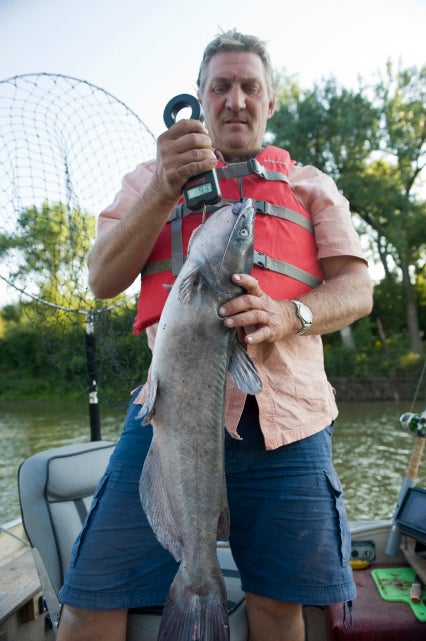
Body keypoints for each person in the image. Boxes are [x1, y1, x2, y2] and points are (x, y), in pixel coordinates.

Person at [57, 30, 373, 641]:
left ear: (270, 102)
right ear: (198, 100)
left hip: (290, 422)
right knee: (90, 599)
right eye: (220, 87)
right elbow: (101, 278)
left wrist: (290, 316)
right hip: (165, 416)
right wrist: (161, 188)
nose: (235, 100)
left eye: (249, 87)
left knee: (279, 608)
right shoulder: (149, 179)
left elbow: (356, 291)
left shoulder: (309, 185)